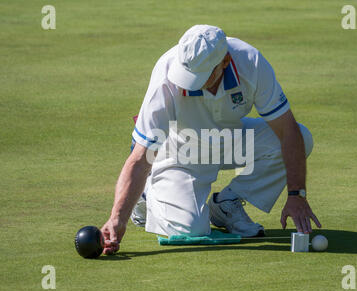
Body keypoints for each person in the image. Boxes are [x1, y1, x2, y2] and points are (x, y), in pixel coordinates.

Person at [101, 25, 321, 255]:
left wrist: (297, 194)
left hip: (229, 139)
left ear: (224, 62)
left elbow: (288, 131)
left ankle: (227, 203)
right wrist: (118, 218)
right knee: (192, 229)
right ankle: (146, 194)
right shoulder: (166, 74)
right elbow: (139, 156)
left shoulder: (251, 62)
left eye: (201, 76)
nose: (188, 82)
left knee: (302, 137)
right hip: (180, 150)